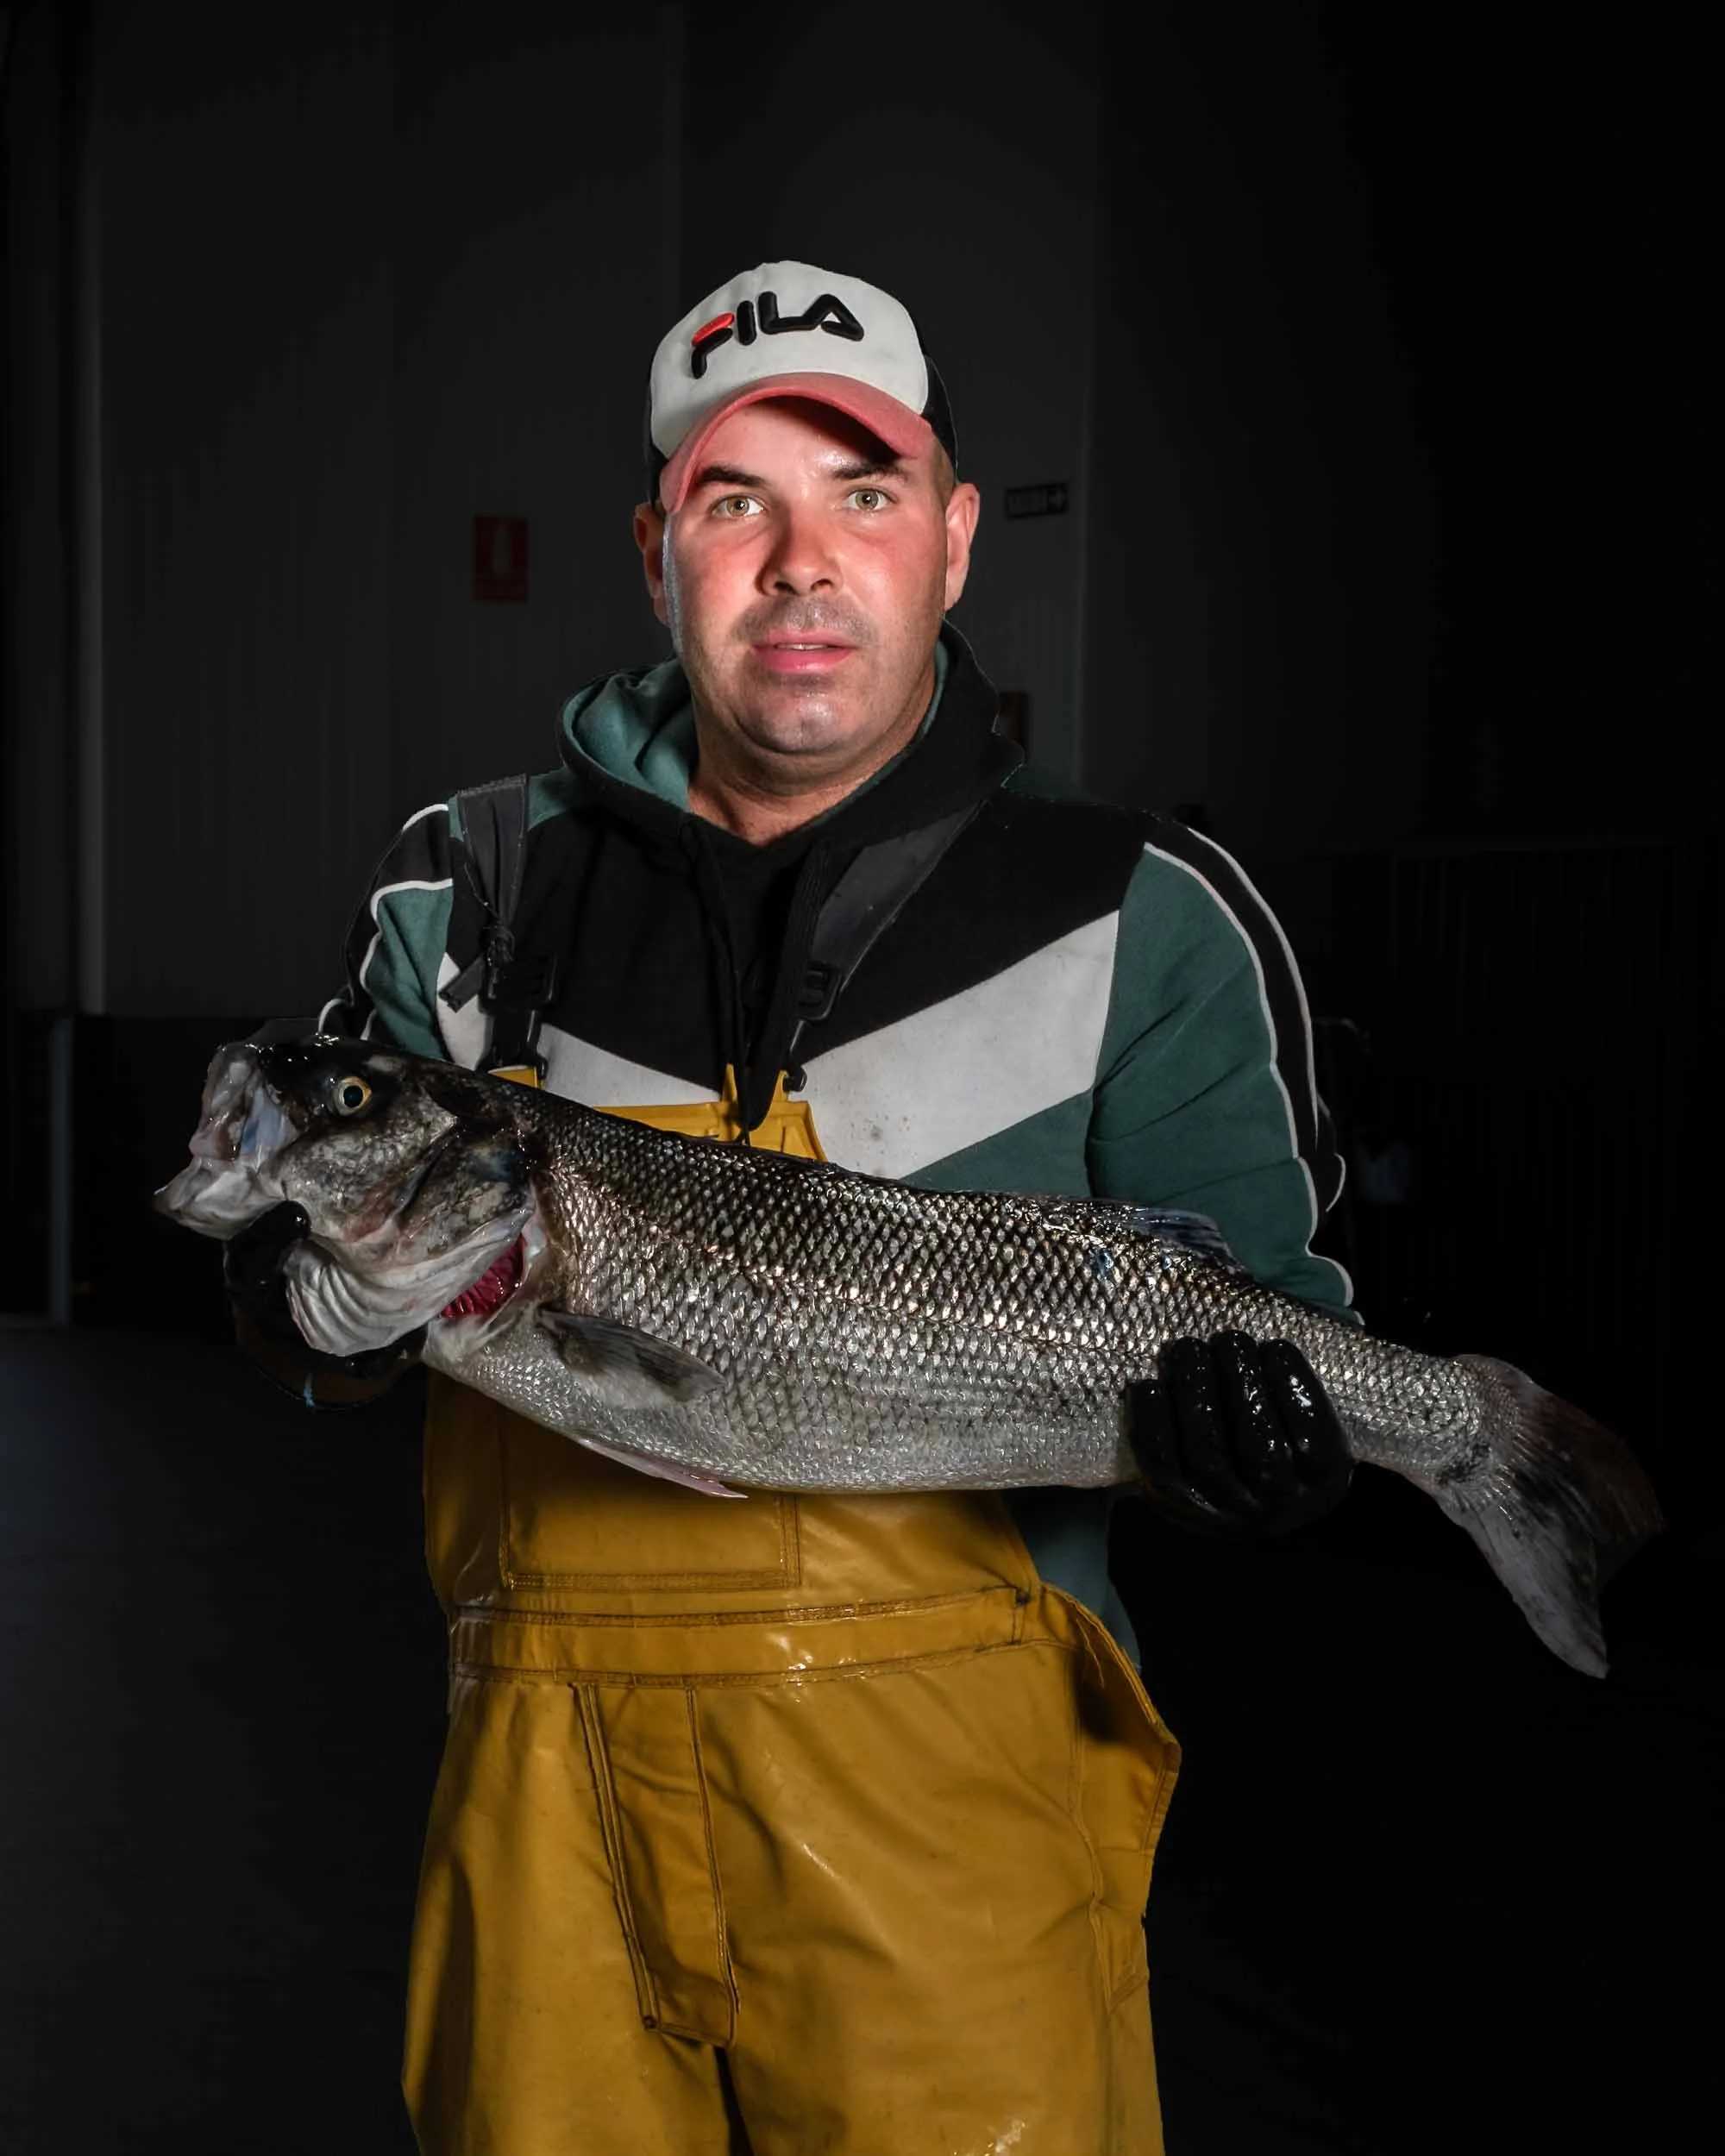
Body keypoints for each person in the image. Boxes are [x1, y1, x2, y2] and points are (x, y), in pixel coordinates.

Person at [227, 260, 1356, 2155]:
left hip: (958, 1838)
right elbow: (300, 1305)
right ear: (657, 546)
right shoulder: (468, 888)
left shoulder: (1138, 908)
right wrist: (310, 1311)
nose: (800, 560)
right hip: (542, 1815)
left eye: (865, 493)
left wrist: (1266, 1458)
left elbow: (1277, 1337)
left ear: (956, 539)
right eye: (735, 499)